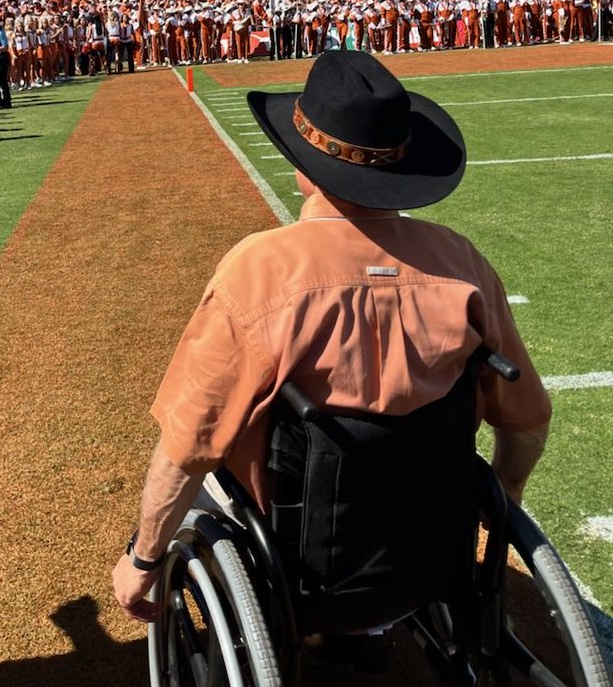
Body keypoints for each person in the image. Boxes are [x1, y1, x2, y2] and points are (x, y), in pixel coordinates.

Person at [113, 49, 551, 624]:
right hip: (430, 538)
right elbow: (527, 420)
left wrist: (143, 559)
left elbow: (191, 442)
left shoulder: (259, 271)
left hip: (304, 552)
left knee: (190, 484)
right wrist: (505, 492)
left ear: (302, 165)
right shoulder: (460, 263)